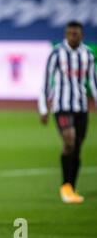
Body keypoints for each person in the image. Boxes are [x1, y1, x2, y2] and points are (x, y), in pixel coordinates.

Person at [38, 21, 97, 203]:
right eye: (69, 33)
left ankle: (71, 186)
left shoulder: (87, 54)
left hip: (81, 107)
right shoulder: (56, 53)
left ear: (81, 35)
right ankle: (65, 186)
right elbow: (47, 81)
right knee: (69, 142)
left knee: (77, 147)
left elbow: (93, 82)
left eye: (75, 33)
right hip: (61, 106)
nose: (72, 36)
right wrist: (43, 107)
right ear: (66, 34)